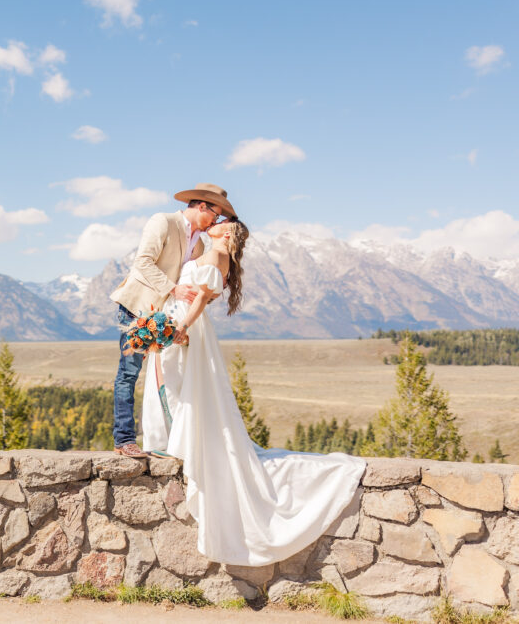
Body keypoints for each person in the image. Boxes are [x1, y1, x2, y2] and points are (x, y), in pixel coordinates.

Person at [142, 218, 366, 566]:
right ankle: (171, 438)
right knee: (172, 380)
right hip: (179, 319)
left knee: (186, 383)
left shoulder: (219, 258)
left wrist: (182, 327)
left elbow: (202, 297)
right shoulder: (208, 251)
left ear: (228, 233)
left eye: (222, 223)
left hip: (190, 327)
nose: (214, 223)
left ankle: (183, 441)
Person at [108, 183, 234, 458]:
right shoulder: (163, 222)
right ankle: (124, 440)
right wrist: (173, 289)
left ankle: (172, 439)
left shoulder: (200, 244)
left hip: (167, 319)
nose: (217, 219)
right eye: (216, 213)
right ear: (202, 206)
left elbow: (196, 283)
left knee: (168, 377)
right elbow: (142, 262)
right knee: (128, 373)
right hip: (136, 309)